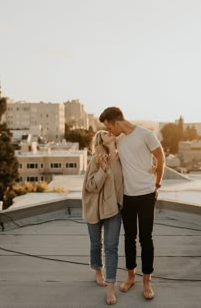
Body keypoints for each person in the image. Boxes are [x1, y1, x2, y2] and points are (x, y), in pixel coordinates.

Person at [99, 107, 165, 300]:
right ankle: (130, 277)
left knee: (146, 238)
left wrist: (158, 182)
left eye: (109, 127)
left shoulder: (146, 134)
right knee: (129, 238)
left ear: (116, 122)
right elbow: (105, 147)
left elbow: (160, 157)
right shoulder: (118, 140)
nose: (109, 131)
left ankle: (146, 281)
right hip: (127, 196)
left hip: (146, 194)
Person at [82, 129, 123, 305]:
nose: (110, 132)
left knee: (111, 247)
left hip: (114, 208)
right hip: (94, 208)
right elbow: (91, 186)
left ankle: (110, 288)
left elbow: (121, 183)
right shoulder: (95, 160)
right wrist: (102, 170)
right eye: (106, 132)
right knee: (95, 243)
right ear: (100, 139)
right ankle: (98, 269)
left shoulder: (120, 159)